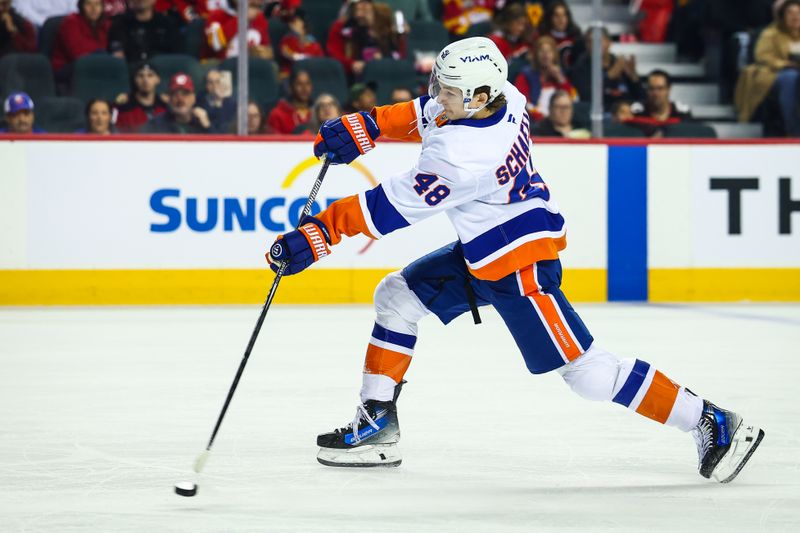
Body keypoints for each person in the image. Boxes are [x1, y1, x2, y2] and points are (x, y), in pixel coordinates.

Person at [265, 36, 765, 483]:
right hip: (487, 249)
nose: (439, 96)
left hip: (519, 264)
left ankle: (710, 419)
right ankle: (376, 424)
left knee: (587, 373)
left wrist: (316, 236)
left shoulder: (462, 159)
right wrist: (366, 126)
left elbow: (384, 209)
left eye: (450, 90)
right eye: (440, 83)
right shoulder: (506, 97)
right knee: (397, 296)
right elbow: (425, 113)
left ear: (480, 96)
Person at [735, 0, 800, 136]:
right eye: (790, 13)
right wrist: (785, 64)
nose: (795, 17)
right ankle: (793, 131)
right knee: (790, 78)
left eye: (798, 13)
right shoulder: (771, 33)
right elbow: (762, 56)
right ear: (782, 16)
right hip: (775, 75)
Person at [327, 0, 407, 78]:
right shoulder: (342, 27)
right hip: (355, 77)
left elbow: (399, 57)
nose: (359, 14)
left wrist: (401, 39)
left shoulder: (388, 30)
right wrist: (352, 64)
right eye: (356, 8)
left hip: (387, 74)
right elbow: (335, 57)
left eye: (365, 6)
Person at [570, 26, 644, 108]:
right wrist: (610, 76)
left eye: (598, 41)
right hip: (600, 114)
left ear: (609, 43)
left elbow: (642, 98)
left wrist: (633, 77)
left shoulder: (619, 64)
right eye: (589, 42)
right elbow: (585, 98)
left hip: (626, 112)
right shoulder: (580, 67)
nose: (593, 45)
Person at [513, 35, 576, 121]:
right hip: (535, 122)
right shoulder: (525, 75)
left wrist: (561, 80)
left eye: (549, 51)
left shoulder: (560, 74)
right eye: (542, 51)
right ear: (536, 54)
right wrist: (542, 118)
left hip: (560, 120)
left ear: (554, 54)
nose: (545, 54)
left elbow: (574, 99)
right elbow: (523, 103)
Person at [51, 0, 111, 79]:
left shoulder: (105, 24)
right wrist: (102, 54)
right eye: (88, 4)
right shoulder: (70, 23)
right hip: (67, 67)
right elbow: (77, 54)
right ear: (81, 6)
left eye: (97, 4)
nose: (94, 8)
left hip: (94, 65)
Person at [108, 0, 178, 63]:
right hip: (129, 70)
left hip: (161, 70)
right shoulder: (119, 24)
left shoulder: (167, 24)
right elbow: (117, 54)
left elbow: (175, 55)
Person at [140, 72, 211, 134]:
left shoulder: (204, 121)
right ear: (169, 98)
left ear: (193, 98)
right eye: (175, 94)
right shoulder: (155, 126)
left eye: (185, 94)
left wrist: (207, 127)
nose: (180, 99)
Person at [629, 69, 692, 137]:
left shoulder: (682, 112)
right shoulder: (637, 111)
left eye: (660, 88)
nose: (655, 93)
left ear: (669, 89)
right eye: (651, 88)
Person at [204, 0, 272, 60]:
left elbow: (266, 50)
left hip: (251, 65)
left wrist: (261, 52)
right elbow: (216, 46)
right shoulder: (217, 15)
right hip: (222, 64)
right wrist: (242, 18)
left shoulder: (259, 17)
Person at [114, 61, 168, 133]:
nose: (145, 80)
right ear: (135, 79)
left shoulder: (166, 107)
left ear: (158, 79)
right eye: (141, 76)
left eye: (150, 75)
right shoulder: (124, 108)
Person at [536, 0, 583, 69]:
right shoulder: (542, 37)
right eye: (557, 16)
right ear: (550, 18)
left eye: (564, 15)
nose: (561, 20)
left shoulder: (576, 38)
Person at [277, 9, 324, 78]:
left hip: (309, 77)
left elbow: (319, 63)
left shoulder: (315, 45)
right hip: (290, 75)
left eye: (294, 20)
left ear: (303, 22)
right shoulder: (287, 40)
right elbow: (286, 53)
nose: (291, 24)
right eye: (290, 21)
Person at [265, 69, 313, 134]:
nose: (304, 88)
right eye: (299, 84)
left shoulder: (318, 113)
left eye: (307, 84)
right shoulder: (277, 115)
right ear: (290, 88)